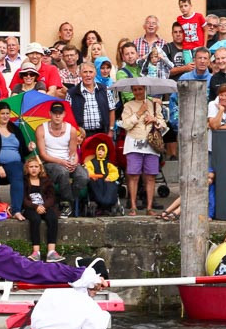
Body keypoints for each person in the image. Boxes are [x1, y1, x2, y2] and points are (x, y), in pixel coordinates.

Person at [121, 84, 166, 216]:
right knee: (133, 176)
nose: (138, 92)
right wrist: (139, 113)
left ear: (145, 90)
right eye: (135, 89)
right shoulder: (128, 105)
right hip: (133, 143)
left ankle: (149, 207)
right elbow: (126, 125)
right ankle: (133, 207)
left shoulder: (154, 105)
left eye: (140, 89)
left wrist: (154, 119)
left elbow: (163, 124)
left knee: (151, 176)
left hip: (150, 144)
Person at [36, 103, 85, 214]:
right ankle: (68, 202)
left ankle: (68, 201)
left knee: (83, 176)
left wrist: (74, 162)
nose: (57, 116)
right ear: (50, 114)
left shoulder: (71, 130)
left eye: (60, 113)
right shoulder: (41, 129)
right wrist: (61, 162)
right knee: (62, 172)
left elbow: (73, 152)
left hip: (67, 161)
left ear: (64, 114)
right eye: (55, 113)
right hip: (50, 162)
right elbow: (43, 155)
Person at [22, 155, 63, 262]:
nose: (34, 169)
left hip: (44, 206)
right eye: (31, 167)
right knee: (35, 220)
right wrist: (35, 207)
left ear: (40, 168)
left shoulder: (45, 180)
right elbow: (23, 199)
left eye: (36, 166)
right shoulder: (24, 181)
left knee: (52, 218)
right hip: (31, 208)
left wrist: (43, 206)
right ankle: (36, 252)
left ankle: (51, 252)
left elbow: (51, 197)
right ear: (27, 168)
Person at [69, 62, 113, 138]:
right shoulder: (72, 93)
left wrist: (111, 130)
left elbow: (112, 109)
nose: (88, 75)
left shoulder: (104, 89)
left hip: (102, 132)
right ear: (80, 74)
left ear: (95, 73)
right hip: (81, 135)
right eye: (85, 72)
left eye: (91, 72)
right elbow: (68, 114)